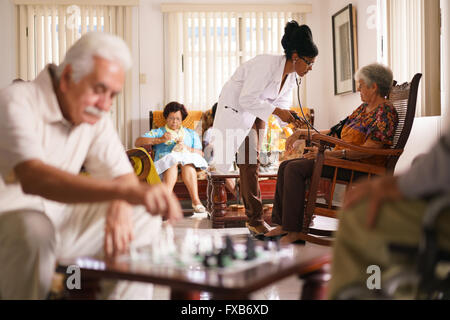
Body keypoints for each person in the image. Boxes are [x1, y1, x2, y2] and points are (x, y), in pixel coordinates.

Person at [0, 32, 183, 300]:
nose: (105, 105)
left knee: (141, 213)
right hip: (12, 221)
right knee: (34, 228)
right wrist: (121, 193)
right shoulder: (15, 101)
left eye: (113, 95)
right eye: (99, 90)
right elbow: (35, 178)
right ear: (67, 78)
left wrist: (122, 200)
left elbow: (122, 176)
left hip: (60, 221)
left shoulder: (93, 114)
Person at [265, 63, 399, 244]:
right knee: (286, 165)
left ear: (374, 86)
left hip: (360, 167)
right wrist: (302, 133)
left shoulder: (385, 112)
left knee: (295, 169)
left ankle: (294, 231)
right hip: (341, 160)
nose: (358, 88)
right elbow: (335, 132)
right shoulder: (363, 109)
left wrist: (329, 156)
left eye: (361, 84)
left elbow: (370, 150)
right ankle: (283, 225)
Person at [211, 20, 317, 235]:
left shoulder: (291, 77)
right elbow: (246, 98)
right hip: (237, 110)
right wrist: (278, 113)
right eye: (309, 62)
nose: (310, 68)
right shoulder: (265, 65)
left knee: (251, 162)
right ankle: (255, 218)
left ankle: (253, 215)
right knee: (248, 163)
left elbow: (282, 106)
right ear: (295, 56)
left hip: (258, 111)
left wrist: (290, 120)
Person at [328, 124, 450, 299]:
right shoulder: (362, 111)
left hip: (362, 164)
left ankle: (373, 288)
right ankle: (397, 287)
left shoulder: (383, 114)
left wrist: (402, 184)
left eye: (362, 92)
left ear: (376, 93)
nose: (360, 93)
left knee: (360, 213)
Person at [135, 101, 208, 213]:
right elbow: (138, 142)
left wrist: (187, 148)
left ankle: (196, 201)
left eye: (178, 119)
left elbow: (201, 153)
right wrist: (160, 140)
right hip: (167, 164)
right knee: (172, 162)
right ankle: (165, 202)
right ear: (166, 118)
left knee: (187, 164)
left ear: (182, 119)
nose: (174, 121)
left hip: (186, 162)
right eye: (171, 118)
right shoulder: (159, 132)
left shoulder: (191, 133)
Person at [203, 102, 237, 198]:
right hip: (216, 161)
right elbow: (206, 154)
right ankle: (241, 198)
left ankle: (243, 198)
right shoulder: (210, 132)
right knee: (221, 169)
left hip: (233, 160)